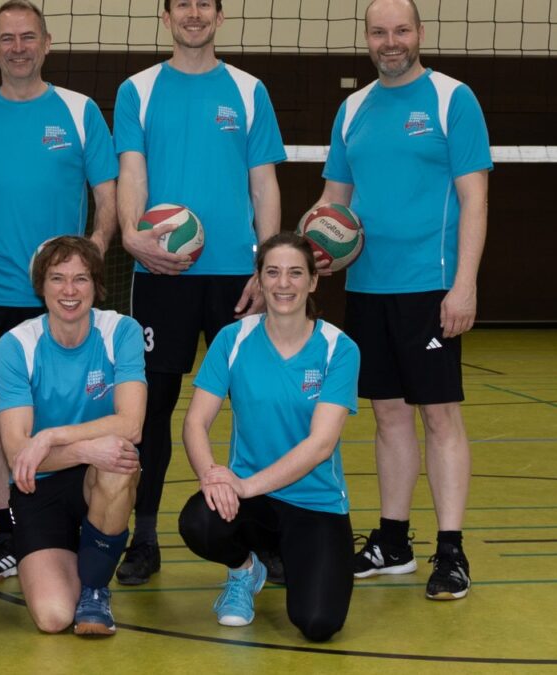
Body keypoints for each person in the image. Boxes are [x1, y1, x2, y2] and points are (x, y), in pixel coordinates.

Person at [318, 0, 492, 600]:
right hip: (367, 285)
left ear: (419, 33)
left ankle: (451, 550)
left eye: (401, 30)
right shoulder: (353, 108)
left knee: (438, 413)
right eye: (379, 32)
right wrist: (304, 251)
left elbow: (474, 197)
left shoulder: (452, 98)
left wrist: (464, 282)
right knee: (388, 413)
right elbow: (332, 200)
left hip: (430, 284)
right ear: (366, 38)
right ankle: (393, 541)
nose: (390, 42)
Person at [0, 0, 119, 585]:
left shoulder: (80, 110)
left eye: (28, 37)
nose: (18, 47)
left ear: (47, 43)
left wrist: (86, 263)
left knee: (70, 411)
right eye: (7, 39)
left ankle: (70, 522)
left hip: (63, 298)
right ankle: (10, 531)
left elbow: (107, 199)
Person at [112, 0, 286, 584]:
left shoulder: (248, 89)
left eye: (203, 4)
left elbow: (264, 184)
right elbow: (131, 171)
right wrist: (134, 239)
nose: (193, 13)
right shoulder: (136, 89)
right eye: (181, 4)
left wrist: (266, 266)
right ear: (165, 15)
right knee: (151, 409)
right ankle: (144, 537)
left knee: (255, 405)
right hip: (162, 273)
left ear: (218, 14)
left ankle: (262, 537)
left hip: (236, 276)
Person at [178, 232, 358, 641]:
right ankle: (244, 571)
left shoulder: (338, 349)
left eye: (295, 273)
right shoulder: (233, 338)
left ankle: (292, 558)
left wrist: (242, 485)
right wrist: (212, 476)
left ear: (313, 281)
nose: (283, 284)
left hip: (316, 502)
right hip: (252, 502)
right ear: (258, 279)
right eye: (272, 272)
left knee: (318, 623)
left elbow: (320, 445)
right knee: (200, 521)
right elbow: (194, 423)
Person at [0, 236, 145, 635]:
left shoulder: (120, 332)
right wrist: (83, 449)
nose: (69, 290)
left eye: (81, 279)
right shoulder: (17, 345)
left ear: (96, 285)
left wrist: (50, 437)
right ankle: (81, 559)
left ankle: (95, 588)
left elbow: (131, 424)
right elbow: (17, 456)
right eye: (57, 278)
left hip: (96, 477)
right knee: (53, 617)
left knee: (119, 456)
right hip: (38, 488)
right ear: (41, 285)